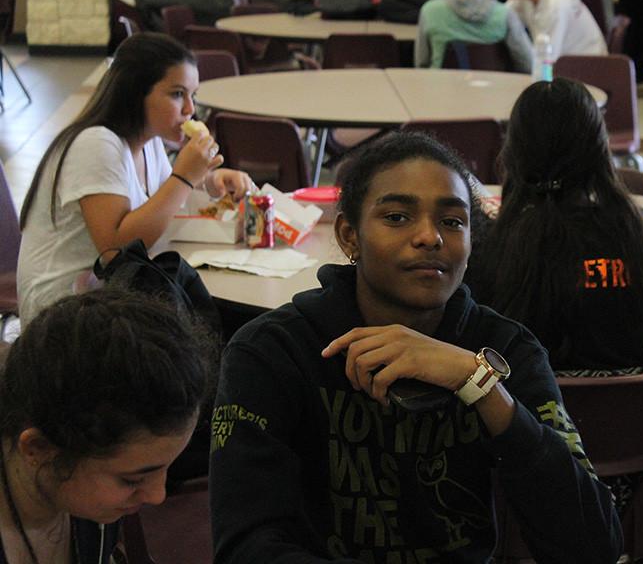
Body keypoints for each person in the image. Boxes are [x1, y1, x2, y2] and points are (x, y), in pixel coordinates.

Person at [209, 132, 622, 563]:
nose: (430, 237)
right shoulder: (274, 352)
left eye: (452, 222)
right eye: (397, 217)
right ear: (350, 236)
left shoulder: (504, 350)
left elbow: (593, 547)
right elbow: (244, 546)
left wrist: (479, 384)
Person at [16, 32, 253, 328]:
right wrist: (183, 177)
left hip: (115, 296)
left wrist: (210, 181)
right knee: (228, 324)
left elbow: (161, 207)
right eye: (177, 94)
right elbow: (115, 249)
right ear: (135, 92)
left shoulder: (150, 143)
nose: (190, 109)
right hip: (64, 315)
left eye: (193, 96)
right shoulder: (97, 144)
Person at [467, 78, 643, 374]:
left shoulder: (488, 249)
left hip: (531, 418)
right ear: (600, 150)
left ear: (514, 154)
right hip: (640, 414)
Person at [0, 288, 213, 563]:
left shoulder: (82, 494)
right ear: (39, 449)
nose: (157, 495)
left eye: (166, 467)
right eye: (131, 480)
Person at [415, 0, 533, 72]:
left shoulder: (429, 10)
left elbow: (421, 64)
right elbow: (528, 63)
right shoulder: (505, 14)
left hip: (439, 90)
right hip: (493, 91)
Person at [494, 0, 608, 58]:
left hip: (589, 69)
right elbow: (502, 14)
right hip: (566, 66)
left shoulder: (555, 6)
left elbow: (544, 62)